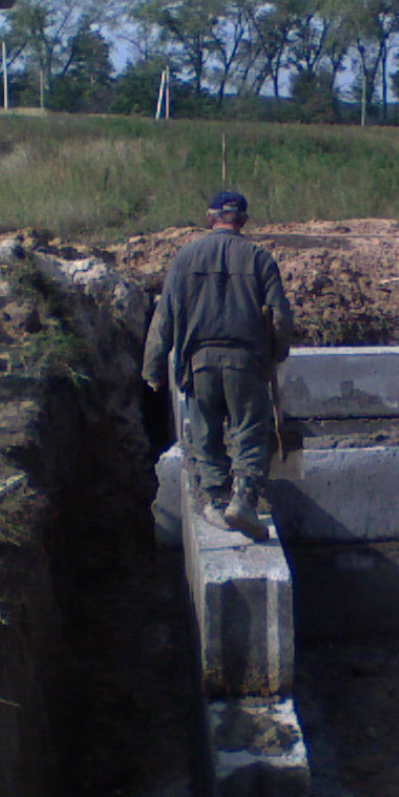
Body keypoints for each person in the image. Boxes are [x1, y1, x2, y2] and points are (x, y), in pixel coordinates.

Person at [142, 191, 294, 541]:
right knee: (249, 431)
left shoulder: (185, 258)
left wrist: (153, 370)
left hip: (199, 364)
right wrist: (277, 352)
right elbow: (281, 317)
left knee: (206, 433)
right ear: (242, 220)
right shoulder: (260, 259)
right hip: (246, 363)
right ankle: (243, 499)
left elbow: (164, 317)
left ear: (210, 218)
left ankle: (215, 499)